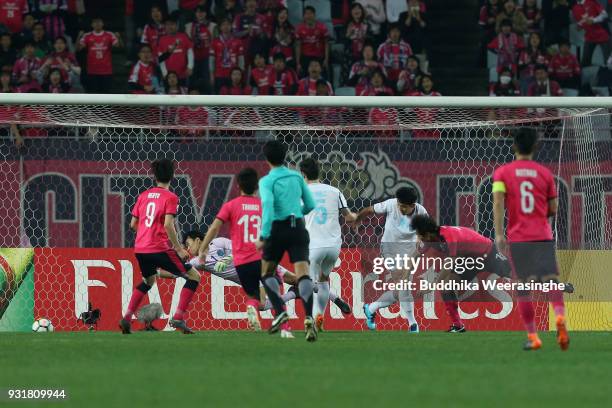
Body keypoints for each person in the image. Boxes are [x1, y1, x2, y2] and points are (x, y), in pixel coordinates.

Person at [492, 127, 569, 351]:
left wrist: (499, 234)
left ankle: (534, 336)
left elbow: (498, 203)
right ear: (536, 147)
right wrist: (538, 215)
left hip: (519, 239)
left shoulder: (502, 173)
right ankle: (560, 317)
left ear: (514, 146)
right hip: (543, 236)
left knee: (523, 288)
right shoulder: (545, 174)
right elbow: (553, 208)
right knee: (551, 281)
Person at [120, 159, 201, 335]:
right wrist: (179, 249)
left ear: (154, 176)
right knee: (194, 276)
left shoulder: (143, 195)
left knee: (148, 280)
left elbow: (133, 224)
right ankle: (178, 317)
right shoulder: (171, 197)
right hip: (159, 248)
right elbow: (167, 225)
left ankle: (127, 317)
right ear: (172, 176)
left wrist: (146, 234)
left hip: (140, 249)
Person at [255, 140, 317, 341]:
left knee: (267, 272)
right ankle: (308, 318)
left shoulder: (266, 181)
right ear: (285, 156)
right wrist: (297, 214)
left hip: (277, 229)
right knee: (303, 275)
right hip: (298, 227)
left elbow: (268, 205)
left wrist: (264, 235)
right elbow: (310, 204)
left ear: (266, 159)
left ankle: (280, 310)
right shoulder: (297, 177)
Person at [411, 215, 511, 332]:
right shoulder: (431, 238)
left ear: (428, 233)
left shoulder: (448, 236)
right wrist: (404, 276)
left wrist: (430, 287)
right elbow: (416, 254)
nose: (419, 238)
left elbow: (448, 265)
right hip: (470, 260)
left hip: (488, 253)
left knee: (516, 275)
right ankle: (458, 325)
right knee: (446, 286)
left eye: (420, 235)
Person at [356, 186, 426, 332]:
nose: (401, 209)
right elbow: (369, 210)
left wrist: (420, 238)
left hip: (409, 253)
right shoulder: (391, 204)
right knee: (403, 285)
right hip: (390, 249)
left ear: (412, 206)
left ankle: (371, 308)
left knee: (399, 290)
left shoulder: (421, 211)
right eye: (400, 205)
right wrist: (357, 220)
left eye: (404, 207)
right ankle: (413, 324)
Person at [300, 157, 356, 331]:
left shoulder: (302, 192)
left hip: (312, 245)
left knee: (307, 282)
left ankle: (311, 320)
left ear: (303, 174)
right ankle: (320, 315)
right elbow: (349, 217)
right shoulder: (334, 191)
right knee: (324, 281)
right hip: (333, 246)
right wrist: (360, 216)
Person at [77, 16, 121, 93]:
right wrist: (79, 37)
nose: (97, 24)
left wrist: (119, 38)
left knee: (106, 94)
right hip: (92, 71)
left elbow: (118, 46)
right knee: (93, 94)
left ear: (103, 23)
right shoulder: (87, 36)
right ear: (92, 24)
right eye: (95, 22)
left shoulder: (109, 35)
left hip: (106, 71)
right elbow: (78, 49)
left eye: (99, 22)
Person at [209, 18, 245, 92]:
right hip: (219, 74)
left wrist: (241, 74)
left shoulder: (238, 41)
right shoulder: (215, 42)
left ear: (231, 26)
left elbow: (241, 59)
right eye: (223, 25)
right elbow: (211, 60)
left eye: (228, 24)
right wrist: (211, 75)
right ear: (220, 27)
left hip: (233, 76)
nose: (226, 27)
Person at [572, 0, 611, 66]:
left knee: (608, 63)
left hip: (603, 36)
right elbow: (581, 21)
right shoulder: (575, 8)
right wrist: (579, 25)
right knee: (585, 63)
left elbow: (605, 15)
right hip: (589, 37)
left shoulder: (591, 2)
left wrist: (594, 20)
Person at [185, 5, 215, 90]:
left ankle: (209, 101)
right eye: (198, 12)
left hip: (207, 58)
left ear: (206, 13)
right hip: (193, 58)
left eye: (202, 12)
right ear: (195, 13)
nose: (200, 14)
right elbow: (187, 43)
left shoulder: (212, 26)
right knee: (192, 81)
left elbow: (214, 43)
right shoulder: (188, 26)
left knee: (207, 81)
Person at [295, 6, 330, 76]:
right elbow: (298, 46)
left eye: (311, 13)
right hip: (305, 57)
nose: (309, 16)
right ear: (304, 16)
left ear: (314, 15)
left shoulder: (322, 27)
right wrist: (298, 63)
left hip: (319, 56)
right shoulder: (299, 29)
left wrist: (326, 59)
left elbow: (327, 44)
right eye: (306, 14)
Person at [157, 17, 193, 83]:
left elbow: (190, 52)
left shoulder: (183, 36)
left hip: (183, 74)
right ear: (164, 26)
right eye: (167, 25)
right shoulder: (162, 40)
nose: (170, 27)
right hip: (169, 76)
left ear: (177, 25)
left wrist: (190, 66)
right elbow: (161, 59)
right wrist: (164, 73)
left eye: (172, 24)